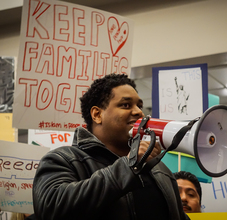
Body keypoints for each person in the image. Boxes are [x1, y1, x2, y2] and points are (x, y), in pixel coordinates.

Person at [32, 74, 190, 220]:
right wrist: (129, 167)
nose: (139, 112)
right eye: (126, 105)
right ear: (97, 115)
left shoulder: (160, 170)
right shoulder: (64, 159)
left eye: (139, 106)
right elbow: (50, 208)